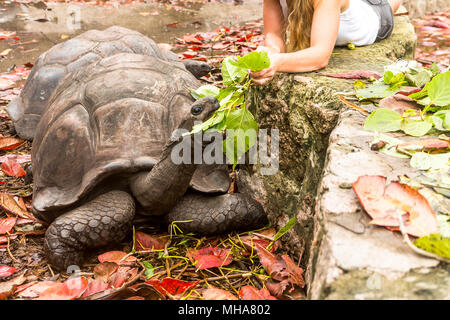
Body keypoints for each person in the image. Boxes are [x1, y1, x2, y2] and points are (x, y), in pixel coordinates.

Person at [251, 0, 403, 85]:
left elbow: (320, 56)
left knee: (390, 3)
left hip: (374, 14)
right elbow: (274, 34)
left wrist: (277, 63)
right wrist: (271, 51)